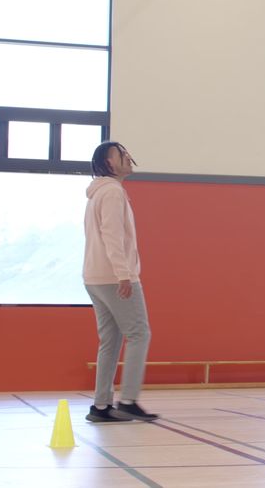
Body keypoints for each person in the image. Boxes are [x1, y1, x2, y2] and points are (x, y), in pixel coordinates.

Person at [83, 141, 159, 422]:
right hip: (114, 277)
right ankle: (128, 400)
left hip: (94, 277)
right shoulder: (112, 192)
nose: (128, 157)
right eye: (121, 154)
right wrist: (123, 274)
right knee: (139, 333)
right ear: (109, 163)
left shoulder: (97, 193)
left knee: (110, 341)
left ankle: (101, 406)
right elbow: (112, 235)